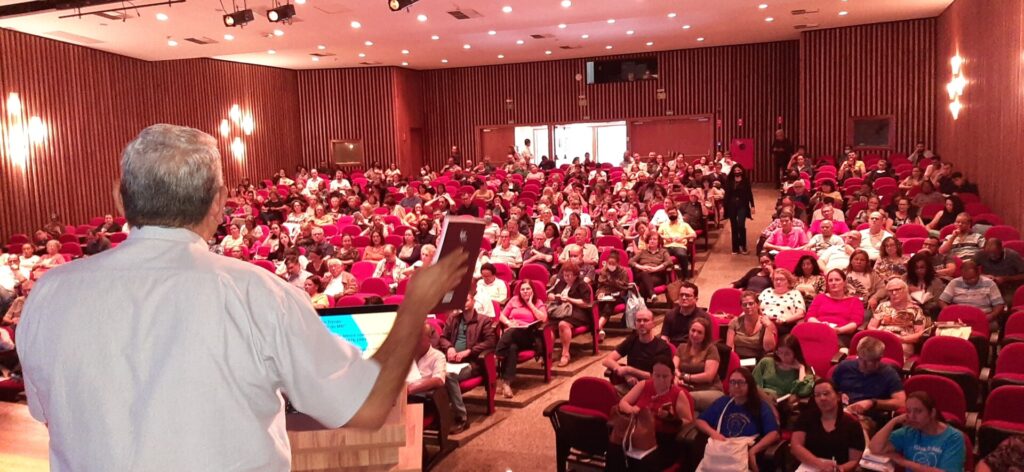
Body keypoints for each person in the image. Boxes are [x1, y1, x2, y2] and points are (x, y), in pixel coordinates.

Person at [16, 124, 472, 471]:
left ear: (120, 199)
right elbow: (368, 406)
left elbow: (48, 414)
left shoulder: (50, 293)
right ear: (219, 202)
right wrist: (415, 307)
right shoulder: (256, 293)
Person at [606, 356, 694, 472]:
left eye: (665, 376)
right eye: (657, 376)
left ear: (672, 376)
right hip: (638, 433)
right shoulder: (644, 385)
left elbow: (689, 422)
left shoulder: (678, 394)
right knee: (614, 450)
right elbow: (623, 402)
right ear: (651, 375)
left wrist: (670, 417)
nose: (661, 380)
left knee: (643, 461)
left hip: (662, 439)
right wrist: (632, 409)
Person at [696, 368, 780, 471]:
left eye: (740, 382)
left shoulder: (760, 406)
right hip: (720, 451)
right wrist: (713, 433)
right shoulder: (723, 402)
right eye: (732, 382)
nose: (736, 386)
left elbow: (773, 434)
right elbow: (700, 420)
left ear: (749, 385)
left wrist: (753, 451)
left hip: (744, 451)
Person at [437, 293, 498, 432]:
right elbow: (443, 338)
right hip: (452, 361)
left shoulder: (484, 320)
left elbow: (490, 342)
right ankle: (440, 415)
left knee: (448, 376)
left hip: (473, 363)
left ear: (473, 301)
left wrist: (469, 351)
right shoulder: (453, 319)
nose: (463, 302)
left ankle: (462, 418)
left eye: (466, 299)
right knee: (435, 374)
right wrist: (450, 347)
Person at [869, 391, 966, 472]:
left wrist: (904, 462)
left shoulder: (954, 437)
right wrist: (893, 421)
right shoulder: (909, 431)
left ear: (932, 413)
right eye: (908, 411)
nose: (911, 416)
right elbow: (875, 448)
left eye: (918, 411)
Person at [790, 379, 866, 472]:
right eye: (817, 395)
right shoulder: (806, 418)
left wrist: (839, 469)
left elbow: (854, 460)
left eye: (826, 393)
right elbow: (796, 446)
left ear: (838, 396)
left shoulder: (852, 424)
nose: (822, 398)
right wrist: (820, 465)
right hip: (808, 467)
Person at [832, 336, 906, 426]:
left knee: (851, 428)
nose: (862, 364)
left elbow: (900, 402)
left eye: (867, 362)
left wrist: (872, 403)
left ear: (878, 360)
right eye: (860, 359)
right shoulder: (845, 366)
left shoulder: (888, 374)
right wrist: (839, 394)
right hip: (842, 412)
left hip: (868, 418)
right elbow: (831, 388)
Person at [495, 281, 547, 398]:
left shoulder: (538, 302)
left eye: (528, 289)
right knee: (512, 348)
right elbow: (501, 315)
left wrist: (530, 304)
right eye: (522, 289)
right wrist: (508, 322)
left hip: (529, 336)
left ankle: (497, 354)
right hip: (513, 338)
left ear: (532, 290)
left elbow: (543, 319)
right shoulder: (514, 300)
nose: (525, 291)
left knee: (513, 331)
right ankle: (507, 384)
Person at [603, 309, 673, 393]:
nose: (642, 323)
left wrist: (630, 370)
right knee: (605, 393)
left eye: (646, 320)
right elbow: (607, 360)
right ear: (635, 324)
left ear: (653, 324)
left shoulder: (662, 347)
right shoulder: (632, 340)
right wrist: (626, 374)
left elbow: (659, 377)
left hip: (652, 388)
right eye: (638, 320)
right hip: (631, 386)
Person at [939, 259, 1006, 331]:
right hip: (959, 318)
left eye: (971, 278)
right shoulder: (955, 282)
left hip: (981, 317)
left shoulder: (989, 283)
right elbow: (942, 300)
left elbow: (999, 304)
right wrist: (949, 312)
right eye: (965, 279)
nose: (968, 281)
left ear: (978, 273)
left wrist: (992, 315)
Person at [549, 261, 594, 367]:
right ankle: (549, 355)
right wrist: (552, 296)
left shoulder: (582, 284)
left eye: (569, 275)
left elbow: (586, 303)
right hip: (561, 311)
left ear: (575, 275)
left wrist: (569, 299)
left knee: (563, 324)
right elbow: (552, 292)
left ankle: (565, 354)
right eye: (565, 275)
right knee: (548, 327)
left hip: (578, 312)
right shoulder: (561, 282)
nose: (566, 278)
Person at [870, 277, 928, 358]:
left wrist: (901, 339)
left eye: (897, 289)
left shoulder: (915, 310)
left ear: (905, 290)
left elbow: (919, 335)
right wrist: (882, 334)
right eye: (890, 291)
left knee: (897, 350)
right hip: (881, 339)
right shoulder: (882, 306)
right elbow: (871, 327)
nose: (894, 293)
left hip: (903, 342)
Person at [675, 316, 723, 411]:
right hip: (687, 389)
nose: (695, 334)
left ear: (705, 335)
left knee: (684, 398)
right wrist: (676, 378)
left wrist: (685, 377)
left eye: (699, 332)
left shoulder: (711, 349)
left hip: (710, 390)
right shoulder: (681, 347)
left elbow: (708, 376)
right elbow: (673, 367)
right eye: (693, 330)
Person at [806, 270, 863, 346]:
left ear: (844, 282)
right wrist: (820, 325)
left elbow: (855, 323)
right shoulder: (820, 298)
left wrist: (838, 330)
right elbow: (810, 316)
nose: (833, 283)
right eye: (830, 280)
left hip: (841, 334)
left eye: (837, 280)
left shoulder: (855, 301)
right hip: (818, 330)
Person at [752, 334, 813, 400]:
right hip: (761, 399)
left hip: (783, 404)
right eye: (780, 352)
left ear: (795, 353)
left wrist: (801, 368)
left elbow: (803, 391)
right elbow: (753, 384)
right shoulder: (766, 362)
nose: (782, 357)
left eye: (787, 354)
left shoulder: (801, 370)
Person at [727, 292, 778, 360]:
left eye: (751, 303)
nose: (748, 306)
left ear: (758, 304)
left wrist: (768, 327)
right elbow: (730, 348)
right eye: (744, 305)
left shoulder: (767, 323)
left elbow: (769, 349)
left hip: (757, 360)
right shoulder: (734, 322)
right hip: (738, 360)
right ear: (741, 307)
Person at [975, 238, 1024, 303]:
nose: (992, 256)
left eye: (995, 254)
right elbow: (968, 269)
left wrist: (1006, 278)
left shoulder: (1012, 256)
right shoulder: (981, 254)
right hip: (987, 286)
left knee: (1006, 301)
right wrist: (983, 276)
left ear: (1001, 249)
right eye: (988, 253)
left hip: (1009, 287)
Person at [595, 251, 631, 339]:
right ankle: (600, 330)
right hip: (605, 295)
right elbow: (600, 285)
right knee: (598, 304)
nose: (610, 265)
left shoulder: (623, 272)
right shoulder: (604, 270)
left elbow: (625, 287)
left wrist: (613, 282)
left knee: (608, 304)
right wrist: (600, 293)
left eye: (613, 263)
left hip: (618, 295)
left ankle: (598, 327)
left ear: (618, 263)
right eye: (609, 263)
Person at [629, 233, 673, 302]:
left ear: (659, 241)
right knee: (644, 274)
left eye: (654, 239)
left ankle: (642, 305)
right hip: (641, 274)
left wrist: (656, 269)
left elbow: (669, 261)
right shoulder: (642, 252)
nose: (652, 241)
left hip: (657, 276)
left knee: (643, 284)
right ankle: (652, 295)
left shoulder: (663, 252)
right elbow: (630, 261)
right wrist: (641, 267)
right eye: (650, 239)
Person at [724, 164, 755, 254]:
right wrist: (724, 207)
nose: (737, 172)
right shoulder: (729, 180)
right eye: (735, 170)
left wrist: (752, 205)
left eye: (739, 170)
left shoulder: (745, 180)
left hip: (743, 205)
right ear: (733, 171)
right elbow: (727, 195)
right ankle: (735, 248)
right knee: (734, 226)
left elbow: (749, 193)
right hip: (731, 205)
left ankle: (743, 246)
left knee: (741, 225)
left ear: (741, 171)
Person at [657, 207, 695, 279]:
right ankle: (664, 278)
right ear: (667, 215)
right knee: (660, 257)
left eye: (673, 213)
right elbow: (657, 234)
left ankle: (685, 276)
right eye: (670, 214)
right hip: (667, 246)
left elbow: (694, 234)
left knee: (682, 255)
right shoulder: (663, 225)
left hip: (679, 246)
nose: (672, 215)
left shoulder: (684, 225)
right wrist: (664, 237)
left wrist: (683, 237)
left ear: (677, 213)